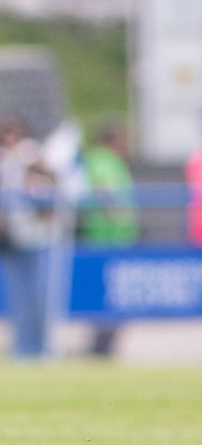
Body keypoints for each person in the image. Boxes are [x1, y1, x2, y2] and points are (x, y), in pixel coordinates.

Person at [0, 116, 65, 360]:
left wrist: (33, 172)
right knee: (17, 299)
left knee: (41, 297)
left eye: (13, 132)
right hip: (8, 239)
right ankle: (22, 350)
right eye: (4, 133)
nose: (9, 139)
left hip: (38, 237)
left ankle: (43, 349)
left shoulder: (33, 156)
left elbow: (54, 183)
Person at [79, 119, 137, 358]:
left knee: (105, 297)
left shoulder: (99, 160)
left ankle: (102, 345)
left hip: (110, 237)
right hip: (107, 238)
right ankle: (101, 347)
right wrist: (115, 212)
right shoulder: (104, 160)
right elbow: (105, 188)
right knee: (106, 297)